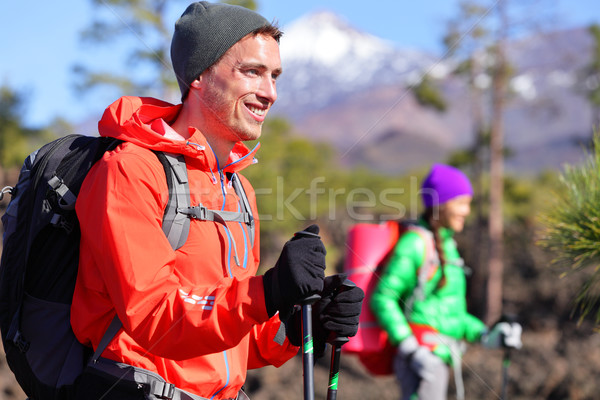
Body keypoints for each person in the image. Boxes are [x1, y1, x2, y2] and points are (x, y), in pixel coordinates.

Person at [70, 2, 364, 399]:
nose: (270, 92)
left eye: (275, 75)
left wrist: (296, 324)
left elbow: (232, 340)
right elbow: (156, 315)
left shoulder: (237, 188)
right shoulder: (130, 171)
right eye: (253, 72)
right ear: (200, 76)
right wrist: (267, 291)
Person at [370, 164, 522, 400]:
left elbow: (452, 315)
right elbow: (383, 298)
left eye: (468, 203)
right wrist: (410, 349)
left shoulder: (449, 248)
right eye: (461, 203)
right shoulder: (415, 244)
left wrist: (486, 335)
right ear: (440, 204)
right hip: (422, 363)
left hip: (439, 358)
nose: (466, 211)